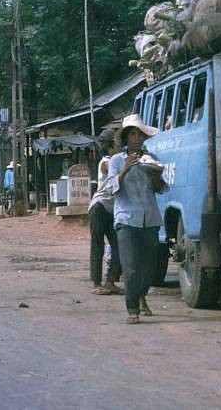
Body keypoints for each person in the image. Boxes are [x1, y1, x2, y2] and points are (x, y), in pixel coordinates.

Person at [108, 114, 168, 324]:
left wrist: (154, 177)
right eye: (132, 134)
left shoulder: (151, 159)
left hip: (150, 219)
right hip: (126, 219)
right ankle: (132, 308)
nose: (136, 139)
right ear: (126, 138)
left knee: (149, 268)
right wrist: (125, 170)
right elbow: (110, 189)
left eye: (140, 135)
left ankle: (141, 295)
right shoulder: (116, 161)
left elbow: (161, 188)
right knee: (131, 267)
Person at [88, 129, 122, 295]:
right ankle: (96, 284)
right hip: (100, 207)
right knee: (98, 245)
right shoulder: (106, 162)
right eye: (117, 144)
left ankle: (110, 281)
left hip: (111, 209)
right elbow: (116, 170)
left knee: (118, 245)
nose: (120, 147)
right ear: (110, 147)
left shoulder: (116, 160)